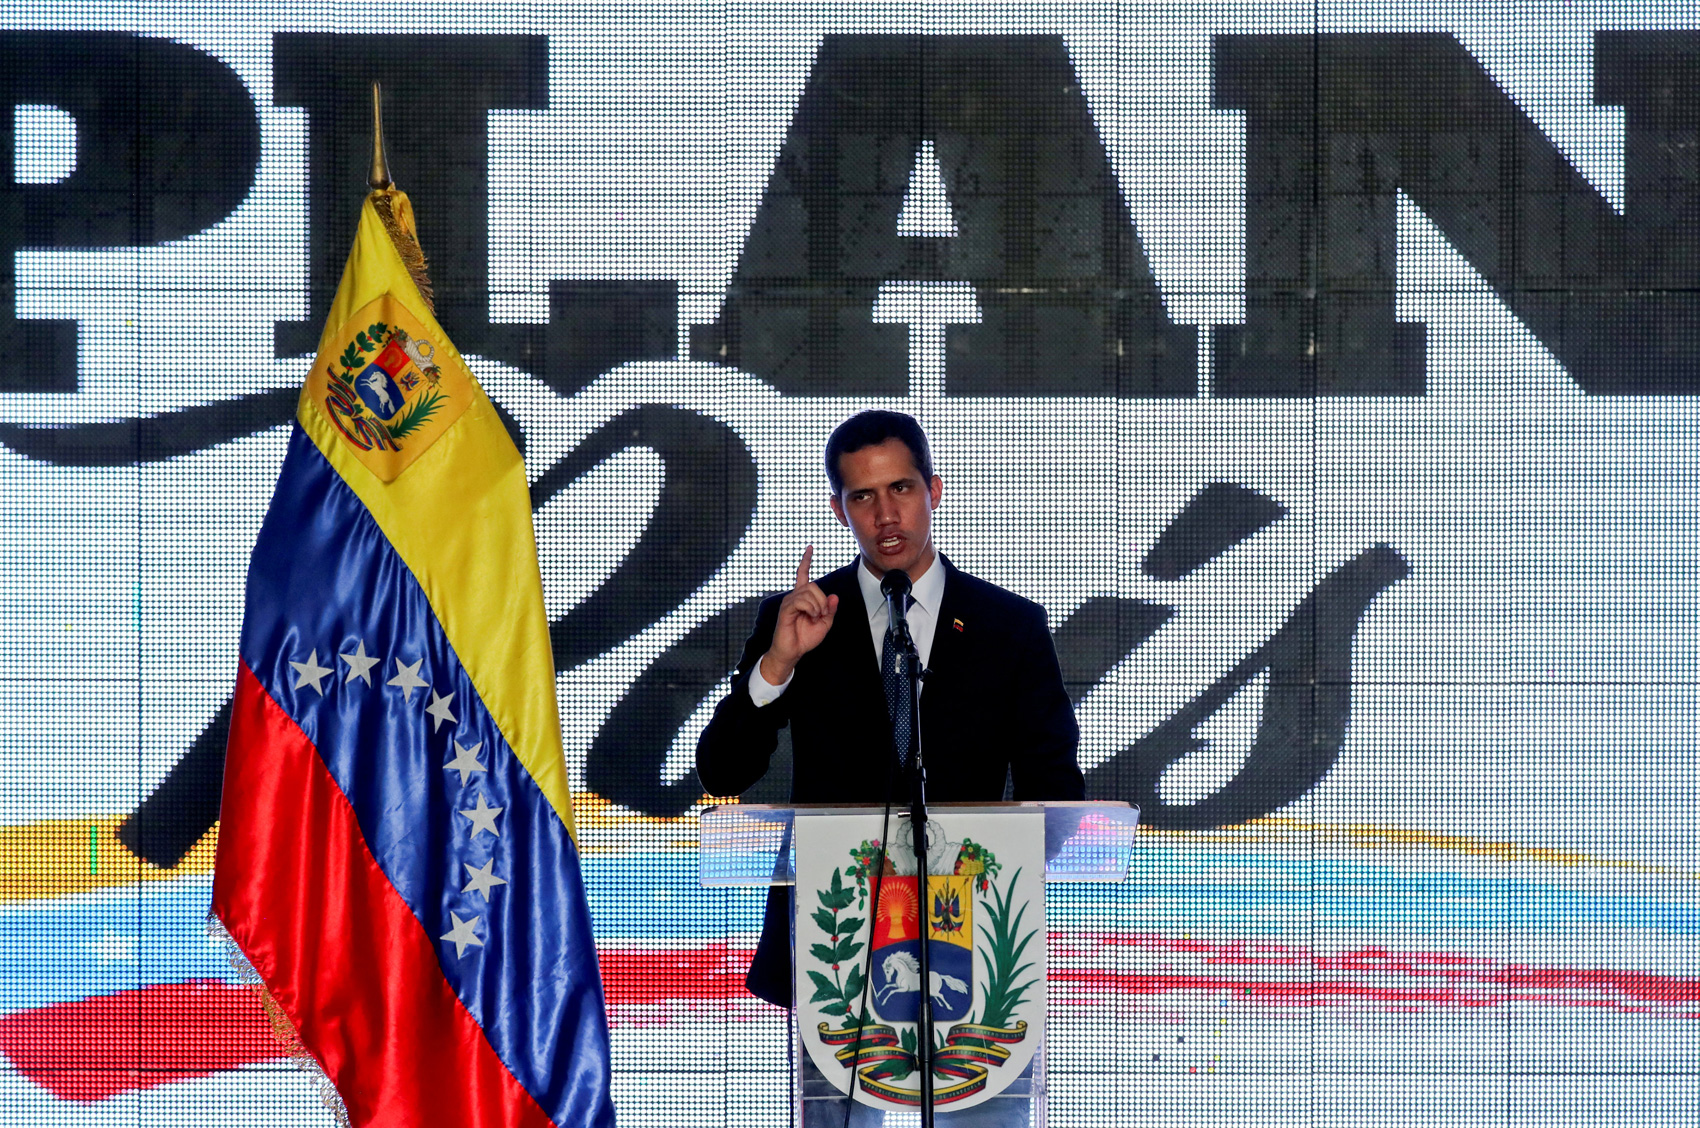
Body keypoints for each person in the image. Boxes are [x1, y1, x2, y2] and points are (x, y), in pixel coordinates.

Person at [695, 410, 1084, 1127]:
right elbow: (722, 769)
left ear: (935, 490)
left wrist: (987, 868)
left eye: (900, 488)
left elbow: (1054, 786)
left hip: (973, 933)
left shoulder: (1009, 626)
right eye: (862, 497)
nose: (886, 513)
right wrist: (778, 663)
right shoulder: (804, 621)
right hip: (835, 938)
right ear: (837, 508)